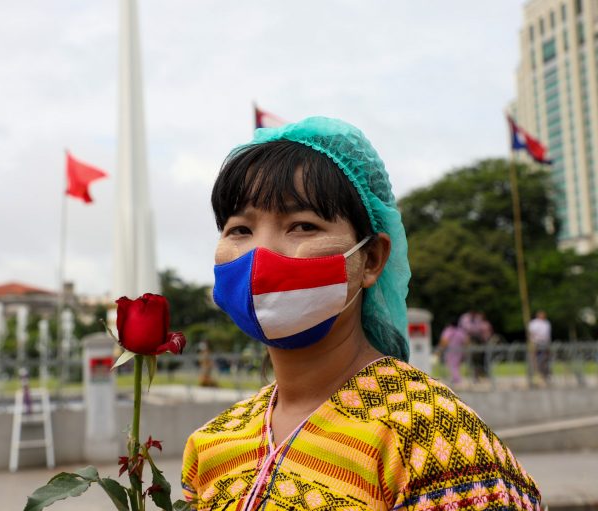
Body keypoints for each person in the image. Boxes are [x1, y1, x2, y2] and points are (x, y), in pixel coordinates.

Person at [181, 117, 540, 510]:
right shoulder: (211, 444)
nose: (261, 254)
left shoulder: (434, 435)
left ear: (370, 260)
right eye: (239, 230)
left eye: (302, 225)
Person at [438, 318, 468, 386]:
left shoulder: (448, 330)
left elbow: (444, 340)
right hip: (459, 350)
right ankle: (456, 378)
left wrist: (441, 348)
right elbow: (466, 341)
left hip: (450, 350)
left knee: (452, 365)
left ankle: (456, 379)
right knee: (456, 365)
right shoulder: (460, 331)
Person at [528, 310, 552, 382]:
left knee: (545, 359)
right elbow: (531, 333)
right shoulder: (534, 323)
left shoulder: (546, 323)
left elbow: (548, 334)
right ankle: (535, 374)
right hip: (536, 342)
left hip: (545, 342)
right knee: (534, 358)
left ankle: (545, 375)